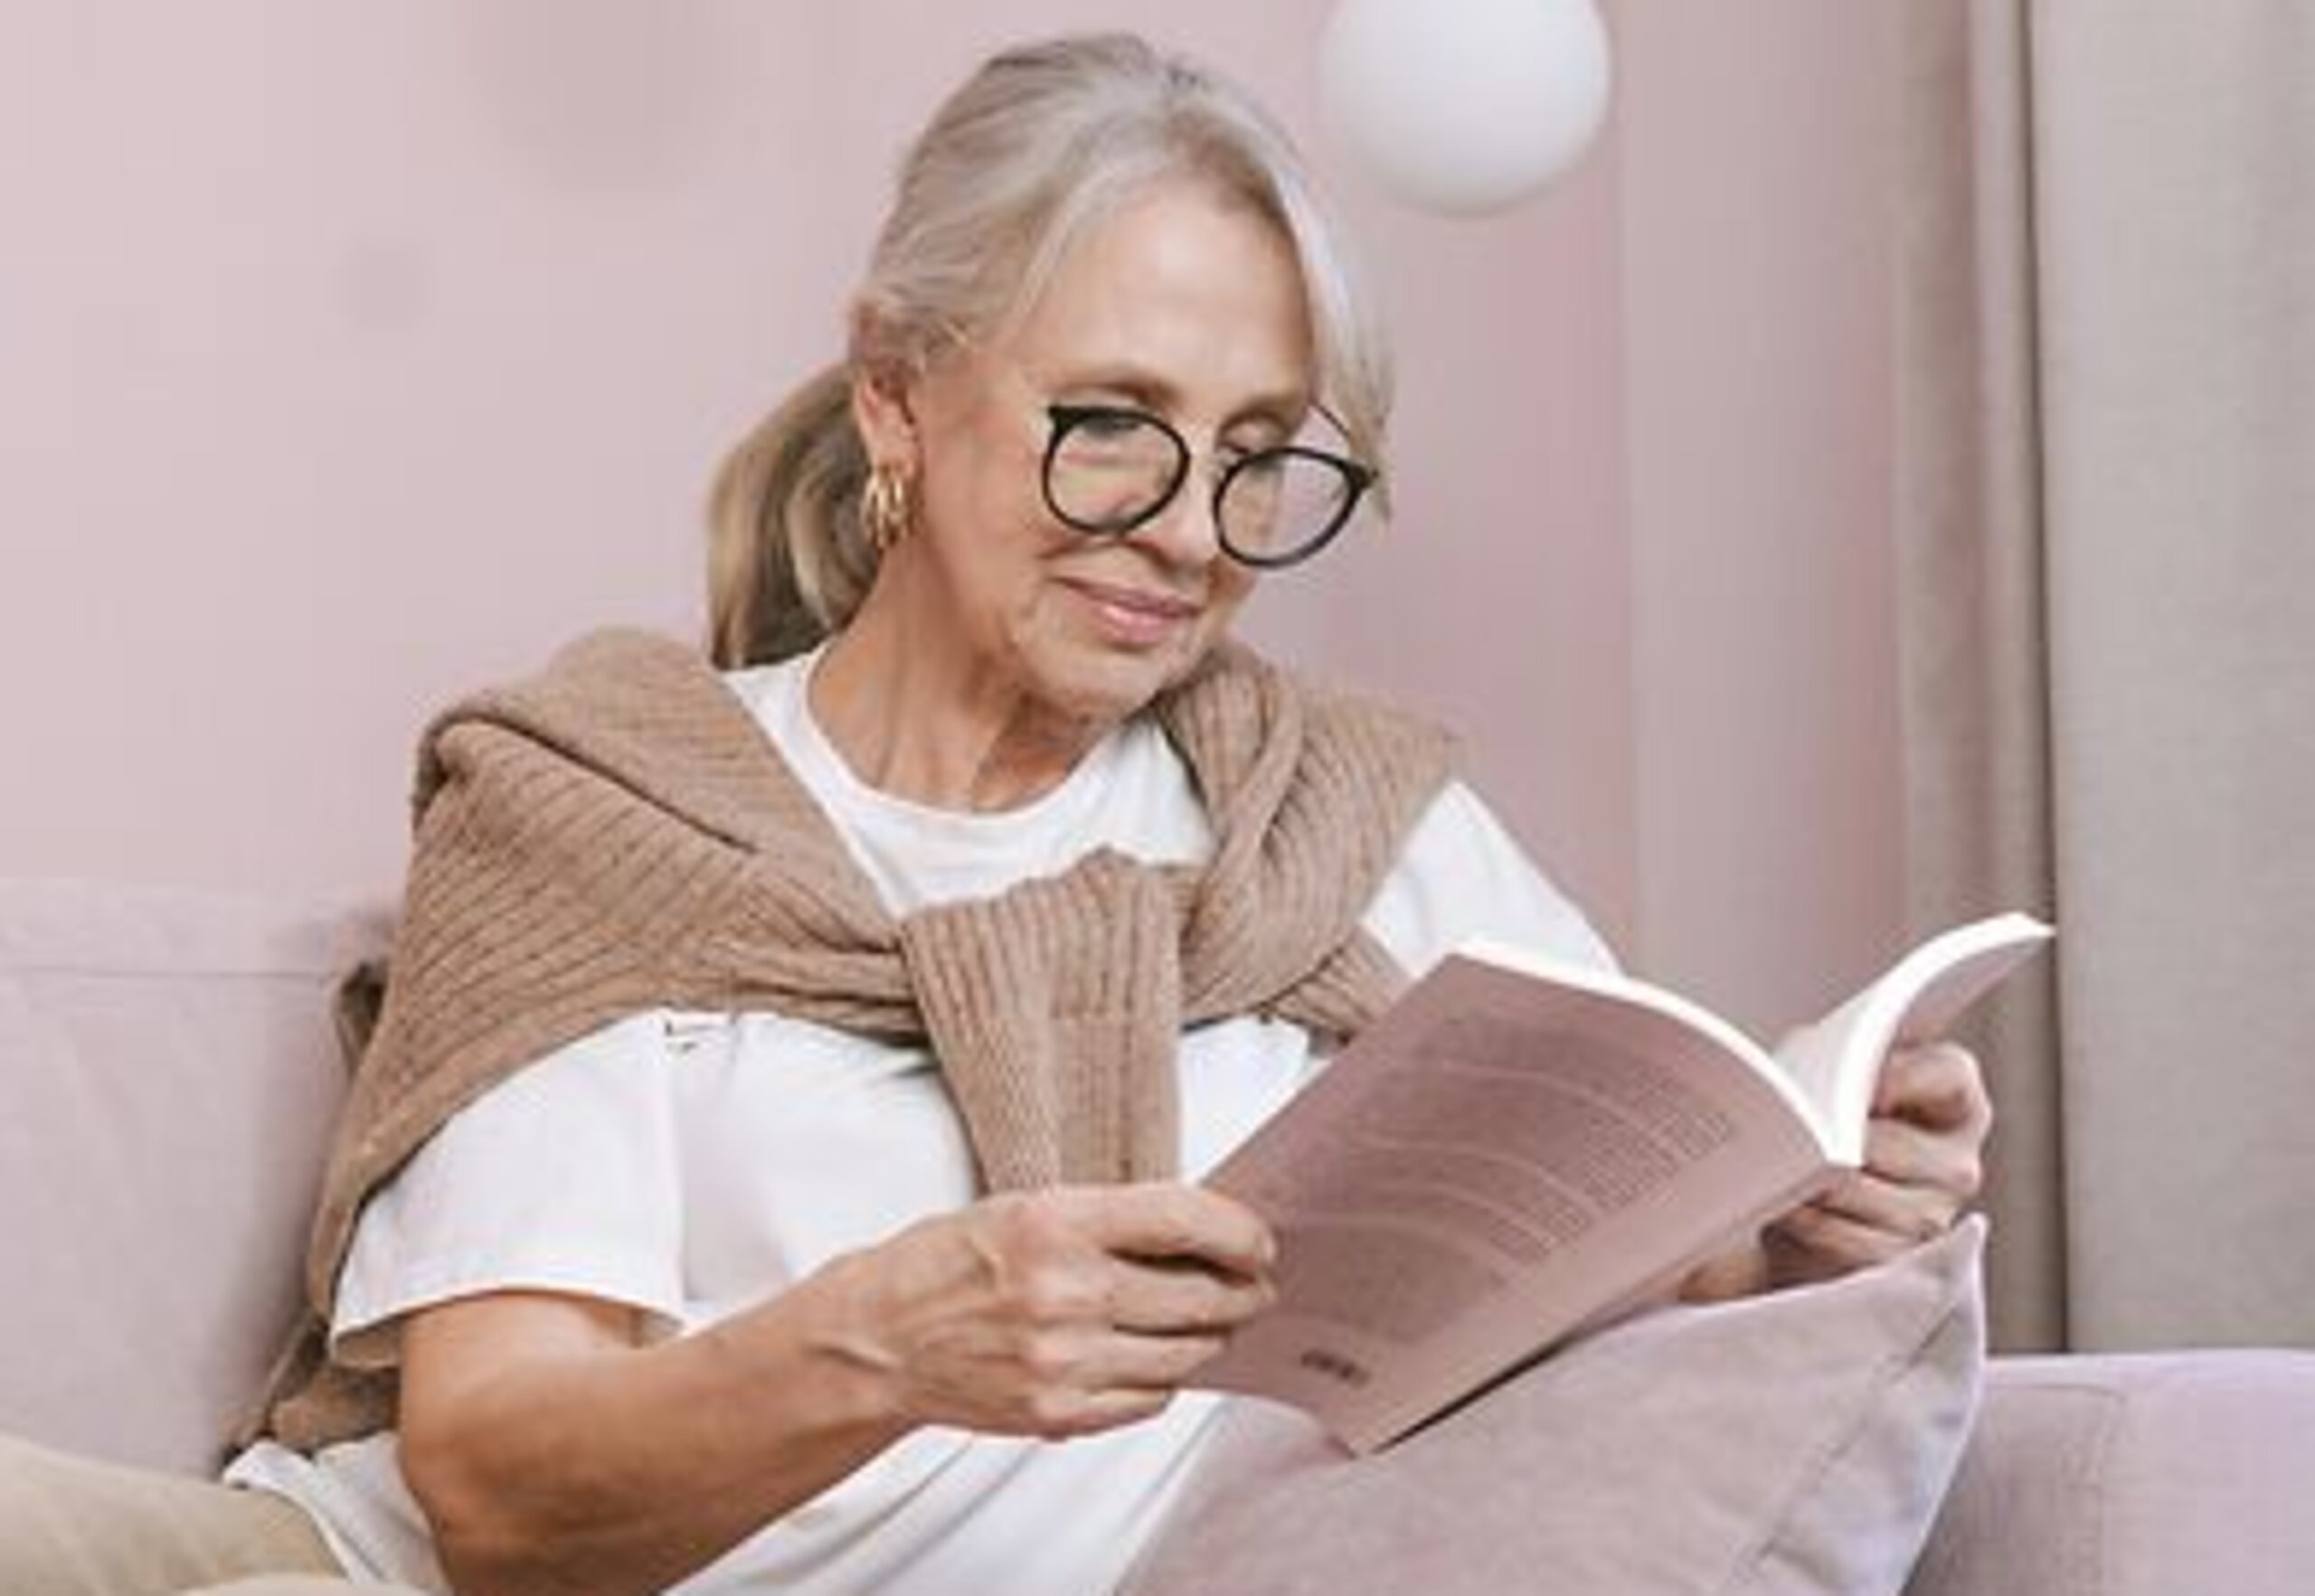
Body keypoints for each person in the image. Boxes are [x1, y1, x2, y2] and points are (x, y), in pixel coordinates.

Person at [3, 32, 1989, 1596]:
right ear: (896, 392)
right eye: (1110, 426)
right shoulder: (617, 809)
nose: (1184, 539)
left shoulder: (1340, 830)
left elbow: (1596, 1242)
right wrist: (897, 1337)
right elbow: (506, 1503)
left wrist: (1799, 1213)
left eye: (1254, 461)